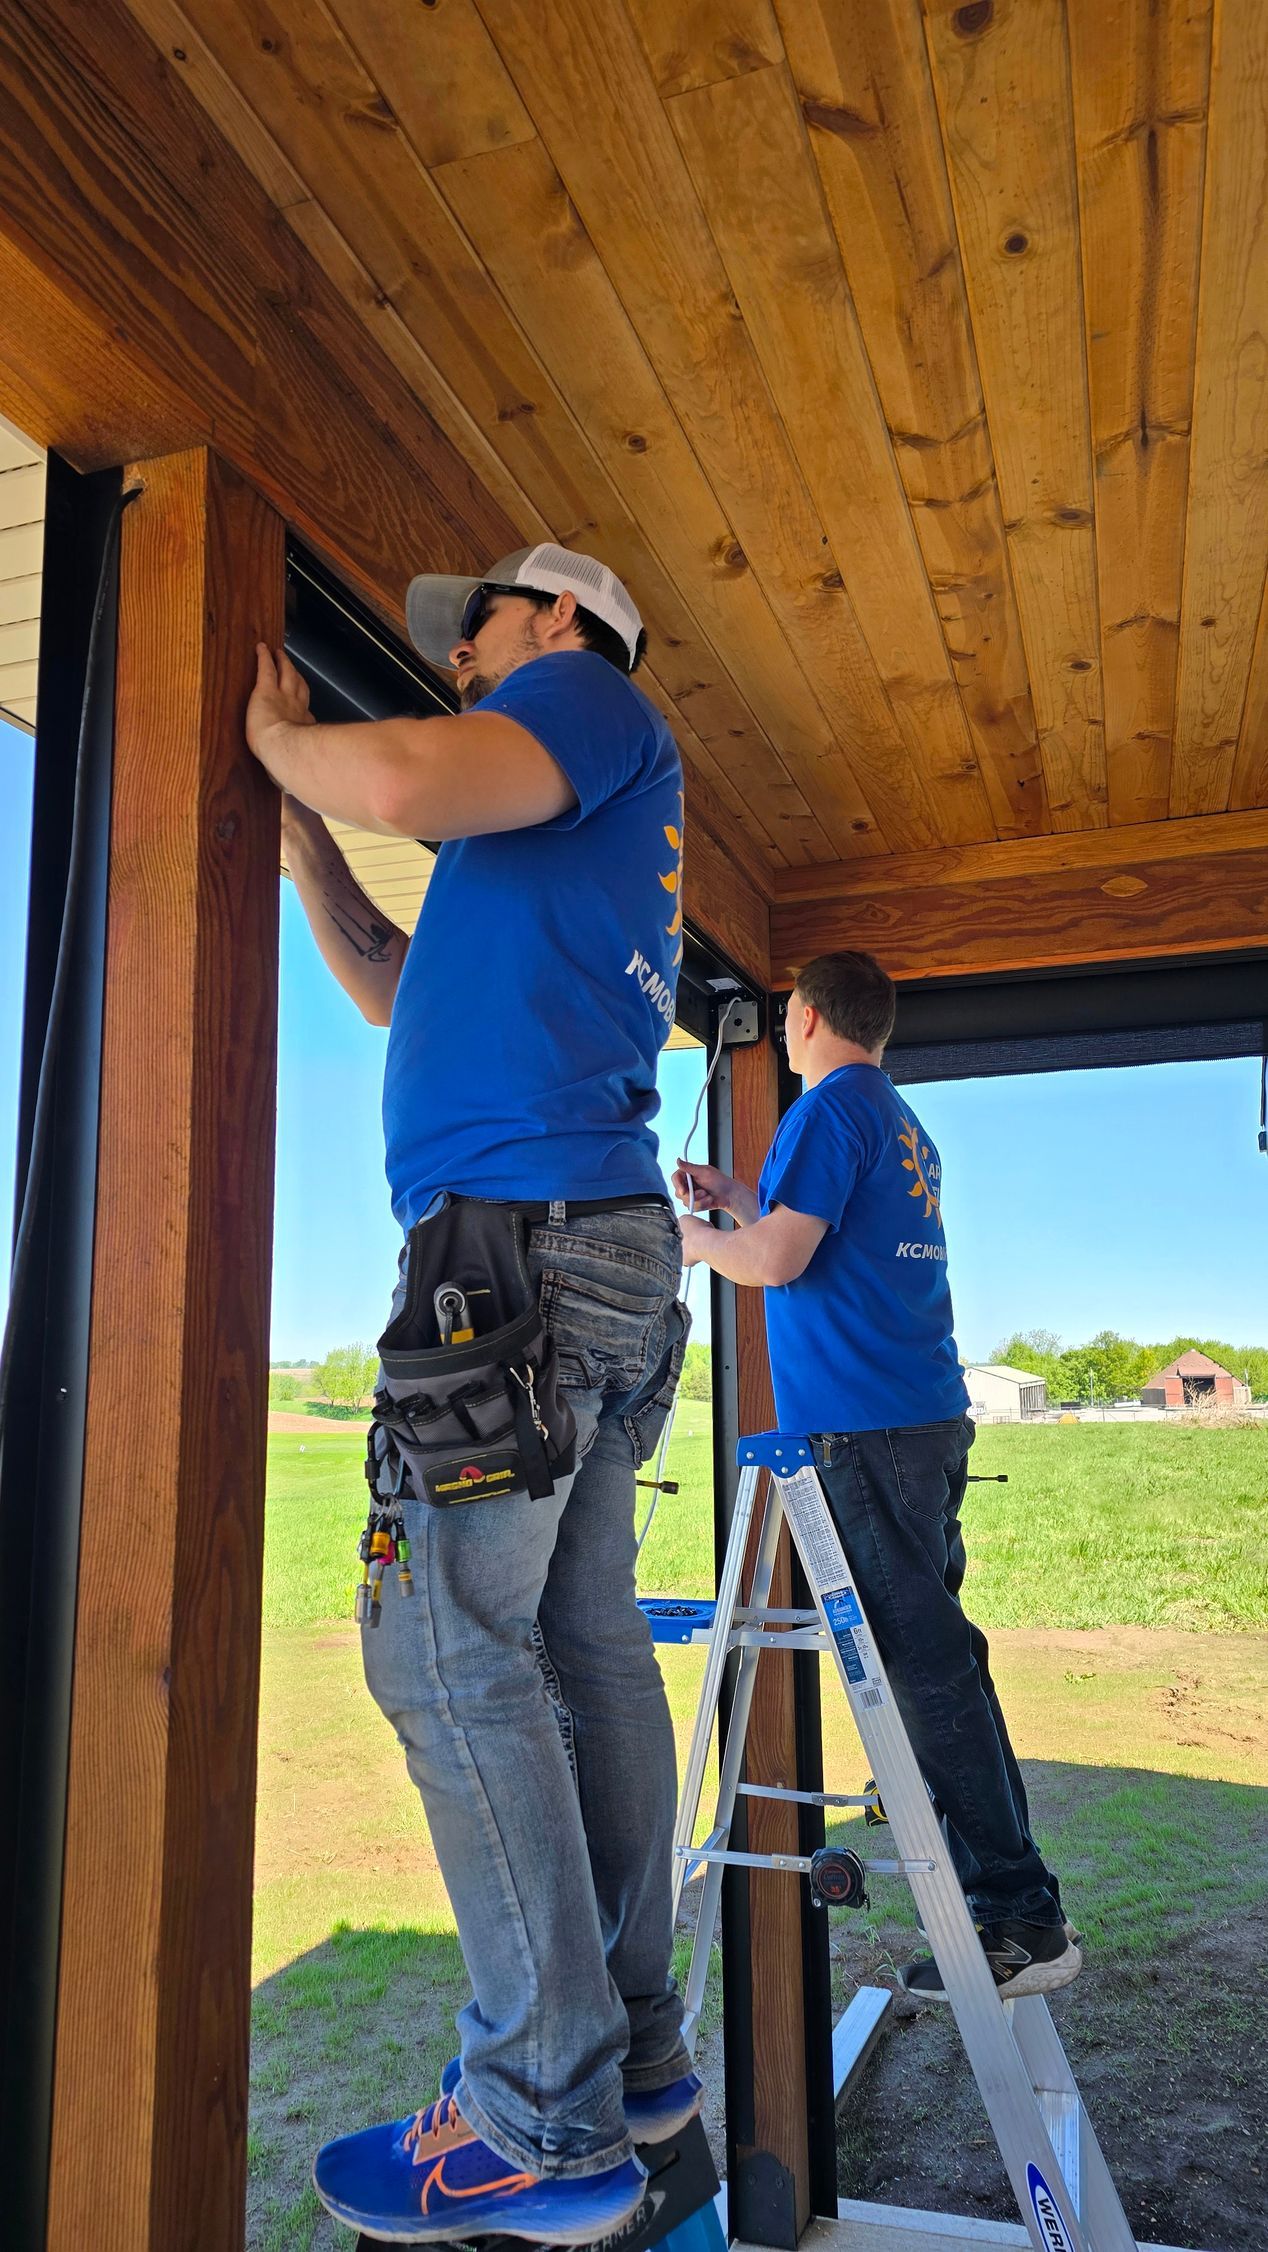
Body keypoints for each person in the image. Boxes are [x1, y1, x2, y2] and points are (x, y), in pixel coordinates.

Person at [245, 544, 699, 2244]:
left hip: (510, 1261)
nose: (461, 664)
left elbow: (383, 769)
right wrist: (305, 852)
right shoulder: (549, 853)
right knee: (574, 1652)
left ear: (565, 623)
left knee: (438, 1648)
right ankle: (632, 2059)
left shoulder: (584, 702)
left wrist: (286, 745)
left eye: (480, 631)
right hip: (580, 1252)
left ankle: (535, 2116)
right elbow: (392, 983)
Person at [673, 949, 1081, 2002]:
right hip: (918, 1420)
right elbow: (801, 1224)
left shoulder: (821, 1110)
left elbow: (773, 1259)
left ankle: (1017, 1914)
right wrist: (735, 1194)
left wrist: (684, 1234)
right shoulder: (892, 1118)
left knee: (926, 1668)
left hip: (861, 1430)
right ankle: (1007, 1901)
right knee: (937, 1659)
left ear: (802, 1015)